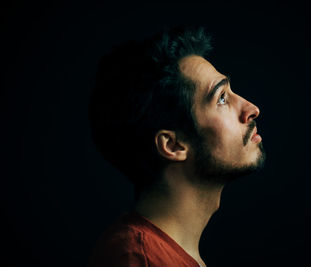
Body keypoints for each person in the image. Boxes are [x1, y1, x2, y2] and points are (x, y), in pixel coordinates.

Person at [88, 26, 266, 267]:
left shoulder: (165, 255)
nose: (252, 109)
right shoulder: (138, 259)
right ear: (173, 145)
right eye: (221, 98)